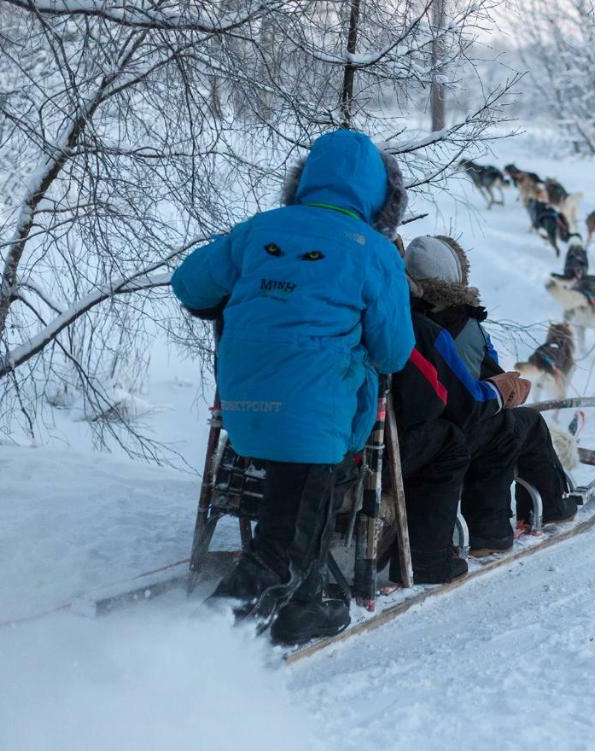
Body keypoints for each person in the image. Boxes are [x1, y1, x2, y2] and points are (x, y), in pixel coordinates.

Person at [171, 129, 412, 645]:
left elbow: (189, 285)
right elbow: (394, 351)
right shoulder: (376, 251)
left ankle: (301, 609)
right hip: (315, 413)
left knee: (301, 510)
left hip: (243, 403)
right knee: (284, 545)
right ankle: (197, 644)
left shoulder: (261, 229)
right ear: (382, 197)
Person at [402, 236, 578, 554]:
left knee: (506, 424)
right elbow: (471, 390)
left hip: (419, 426)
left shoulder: (404, 314)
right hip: (453, 423)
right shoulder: (457, 324)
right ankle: (533, 514)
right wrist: (501, 392)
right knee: (519, 426)